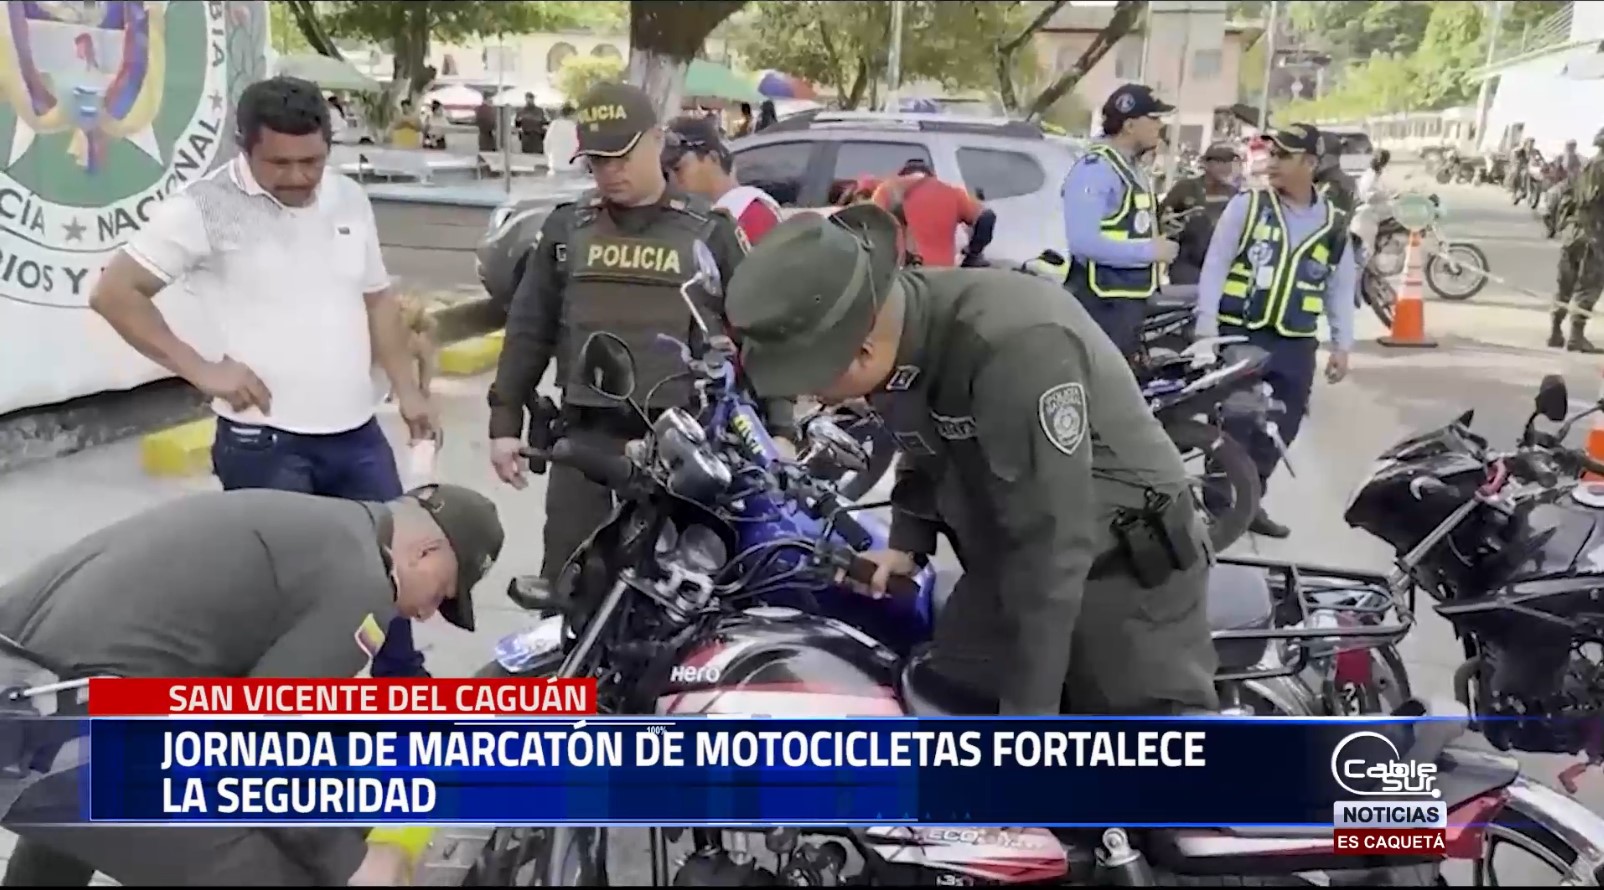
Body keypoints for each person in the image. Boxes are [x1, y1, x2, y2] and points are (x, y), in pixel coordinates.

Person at [724, 205, 1218, 718]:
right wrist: (908, 545)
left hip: (1122, 576)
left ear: (864, 351)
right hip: (1008, 560)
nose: (817, 399)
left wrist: (1027, 720)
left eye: (815, 382)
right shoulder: (900, 324)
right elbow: (919, 435)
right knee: (939, 695)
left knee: (1133, 746)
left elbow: (1053, 546)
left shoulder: (1014, 348)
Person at [89, 76, 439, 668]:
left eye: (312, 161)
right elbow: (115, 293)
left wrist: (408, 390)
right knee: (284, 601)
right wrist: (200, 369)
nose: (299, 177)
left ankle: (401, 694)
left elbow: (377, 300)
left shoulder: (348, 197)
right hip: (266, 445)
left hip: (356, 435)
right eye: (280, 163)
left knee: (395, 578)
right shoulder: (202, 208)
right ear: (244, 148)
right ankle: (281, 714)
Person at [0, 484, 505, 886]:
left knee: (86, 799)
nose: (425, 613)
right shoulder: (365, 583)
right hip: (50, 721)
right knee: (275, 870)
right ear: (426, 551)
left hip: (29, 691)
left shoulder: (309, 525)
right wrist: (351, 860)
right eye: (441, 593)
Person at [487, 83, 795, 592]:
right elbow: (528, 329)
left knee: (678, 599)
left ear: (656, 140)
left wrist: (781, 429)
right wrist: (504, 423)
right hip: (584, 446)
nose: (610, 172)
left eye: (622, 156)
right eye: (597, 161)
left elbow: (760, 334)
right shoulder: (568, 230)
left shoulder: (709, 230)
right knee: (570, 591)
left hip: (685, 450)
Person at [1193, 124, 1356, 540]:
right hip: (1241, 335)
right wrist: (1206, 329)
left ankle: (1250, 504)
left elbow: (1339, 287)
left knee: (1284, 425)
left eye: (1284, 156)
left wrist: (1342, 345)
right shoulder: (1248, 206)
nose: (1273, 162)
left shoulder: (1334, 224)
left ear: (1310, 163)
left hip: (1295, 341)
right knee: (1234, 422)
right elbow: (1215, 266)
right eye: (1272, 154)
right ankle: (1217, 507)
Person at [1060, 83, 1180, 358]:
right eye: (1153, 118)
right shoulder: (1096, 169)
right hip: (1102, 305)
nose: (1160, 125)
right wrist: (1149, 251)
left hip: (1125, 302)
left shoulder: (1131, 167)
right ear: (1129, 125)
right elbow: (1083, 243)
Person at [663, 114, 783, 245]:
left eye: (678, 169)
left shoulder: (752, 215)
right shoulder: (692, 217)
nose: (673, 180)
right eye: (666, 173)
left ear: (713, 158)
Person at [870, 158, 995, 269]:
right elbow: (987, 218)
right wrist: (973, 254)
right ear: (931, 175)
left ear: (901, 175)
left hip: (904, 275)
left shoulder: (887, 191)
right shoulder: (952, 193)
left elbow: (869, 226)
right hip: (942, 275)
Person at [1550, 127, 1604, 353]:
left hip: (1572, 233)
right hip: (1594, 235)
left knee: (1565, 284)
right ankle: (1576, 336)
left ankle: (1555, 330)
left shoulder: (1585, 167)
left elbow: (1560, 194)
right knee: (1588, 286)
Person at [1158, 143, 1242, 285]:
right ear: (1206, 163)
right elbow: (1160, 218)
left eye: (1229, 162)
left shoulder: (1235, 194)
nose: (1226, 167)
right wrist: (1172, 226)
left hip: (1220, 264)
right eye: (1220, 161)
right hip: (1186, 263)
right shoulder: (1186, 187)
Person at [543, 104, 579, 175]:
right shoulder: (576, 128)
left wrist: (549, 159)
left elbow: (547, 145)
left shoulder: (554, 125)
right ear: (572, 115)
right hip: (574, 167)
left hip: (556, 165)